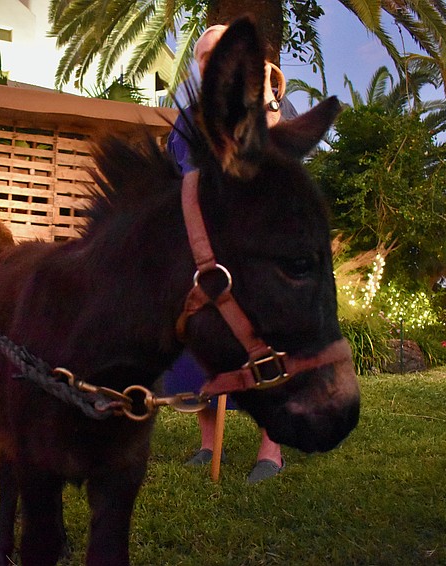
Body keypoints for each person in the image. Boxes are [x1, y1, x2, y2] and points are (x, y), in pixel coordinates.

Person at [164, 24, 297, 483]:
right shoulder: (188, 114)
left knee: (267, 347)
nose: (209, 62)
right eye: (202, 57)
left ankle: (271, 450)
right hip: (206, 248)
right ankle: (207, 444)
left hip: (260, 245)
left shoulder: (271, 101)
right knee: (201, 344)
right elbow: (177, 168)